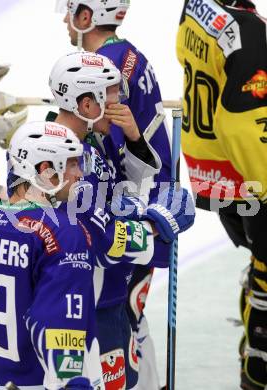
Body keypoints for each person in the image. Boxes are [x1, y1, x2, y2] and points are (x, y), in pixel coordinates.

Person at [47, 51, 195, 389]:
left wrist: (134, 139)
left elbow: (128, 190)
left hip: (105, 299)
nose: (120, 100)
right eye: (110, 92)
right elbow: (99, 243)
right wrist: (157, 223)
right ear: (85, 103)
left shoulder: (91, 141)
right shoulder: (63, 161)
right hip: (84, 311)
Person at [59, 2, 173, 388]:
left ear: (86, 16)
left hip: (135, 211)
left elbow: (112, 164)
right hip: (146, 204)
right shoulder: (129, 54)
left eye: (69, 10)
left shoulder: (102, 65)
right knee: (129, 322)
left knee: (121, 324)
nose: (64, 19)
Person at [0, 121, 107, 389]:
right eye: (70, 164)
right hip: (48, 381)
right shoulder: (63, 231)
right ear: (45, 170)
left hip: (2, 379)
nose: (79, 173)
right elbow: (56, 320)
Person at [176, 1, 267, 389]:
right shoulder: (246, 31)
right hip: (250, 177)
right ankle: (258, 373)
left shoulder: (196, 6)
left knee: (259, 269)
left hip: (211, 171)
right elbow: (245, 126)